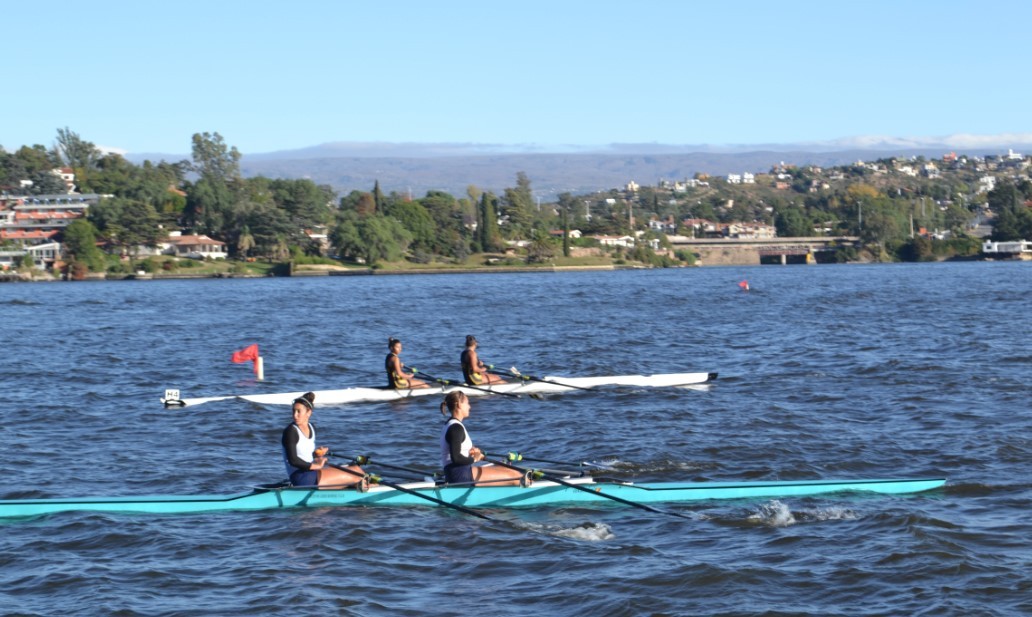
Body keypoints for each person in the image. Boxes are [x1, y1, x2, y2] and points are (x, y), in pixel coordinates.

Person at [439, 391, 527, 486]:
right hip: (460, 476)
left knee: (506, 469)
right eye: (467, 403)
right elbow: (456, 458)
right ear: (460, 405)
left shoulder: (450, 424)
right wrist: (475, 459)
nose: (470, 407)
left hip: (456, 473)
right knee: (514, 475)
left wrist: (471, 452)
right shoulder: (456, 428)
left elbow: (457, 450)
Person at [282, 392, 368, 488]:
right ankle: (373, 490)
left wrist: (316, 454)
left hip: (311, 472)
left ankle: (367, 486)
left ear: (308, 412)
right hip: (301, 478)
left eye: (298, 411)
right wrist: (317, 466)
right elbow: (293, 460)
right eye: (293, 411)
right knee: (357, 476)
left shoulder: (311, 427)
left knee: (356, 469)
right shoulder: (291, 431)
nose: (295, 415)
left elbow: (304, 455)